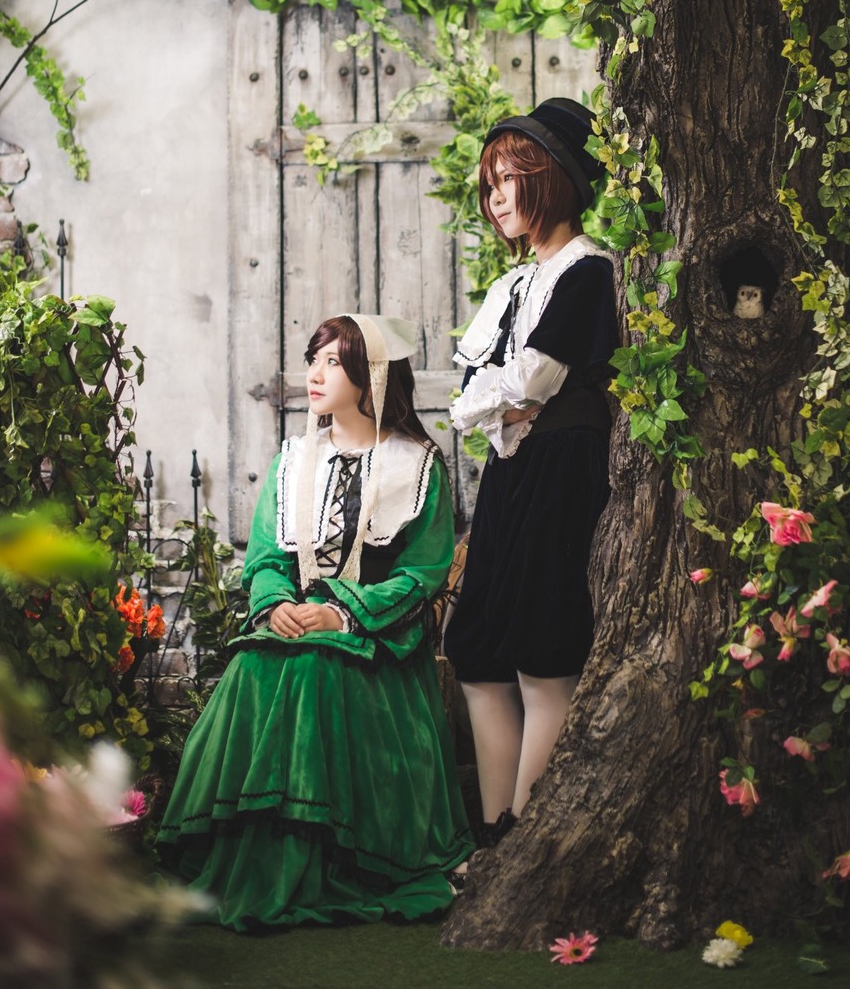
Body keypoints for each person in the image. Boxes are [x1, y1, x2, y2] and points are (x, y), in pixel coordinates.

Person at [157, 313, 472, 930]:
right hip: (293, 617)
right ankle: (261, 854)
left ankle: (339, 855)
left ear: (370, 376)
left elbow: (424, 571)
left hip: (373, 635)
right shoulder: (294, 459)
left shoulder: (417, 464)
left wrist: (342, 613)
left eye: (333, 361)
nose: (316, 373)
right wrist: (277, 607)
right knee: (255, 664)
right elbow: (268, 556)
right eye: (315, 358)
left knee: (318, 672)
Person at [444, 97, 618, 848]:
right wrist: (493, 401)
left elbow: (534, 381)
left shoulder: (589, 270)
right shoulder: (513, 286)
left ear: (557, 181)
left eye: (514, 177)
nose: (498, 196)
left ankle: (525, 838)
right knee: (479, 655)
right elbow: (474, 395)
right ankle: (492, 836)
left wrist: (495, 399)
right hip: (511, 474)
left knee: (543, 658)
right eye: (491, 183)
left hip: (562, 472)